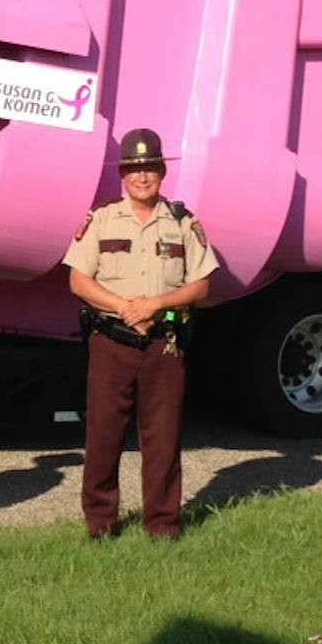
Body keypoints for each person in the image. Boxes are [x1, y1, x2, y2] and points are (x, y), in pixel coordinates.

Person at [61, 128, 218, 540]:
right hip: (111, 342)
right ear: (122, 175)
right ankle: (101, 525)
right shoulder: (101, 219)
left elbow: (201, 286)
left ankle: (163, 526)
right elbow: (78, 280)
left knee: (163, 439)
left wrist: (155, 305)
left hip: (164, 346)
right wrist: (124, 307)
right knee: (103, 437)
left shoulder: (184, 222)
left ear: (162, 172)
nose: (141, 177)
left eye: (149, 168)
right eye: (133, 169)